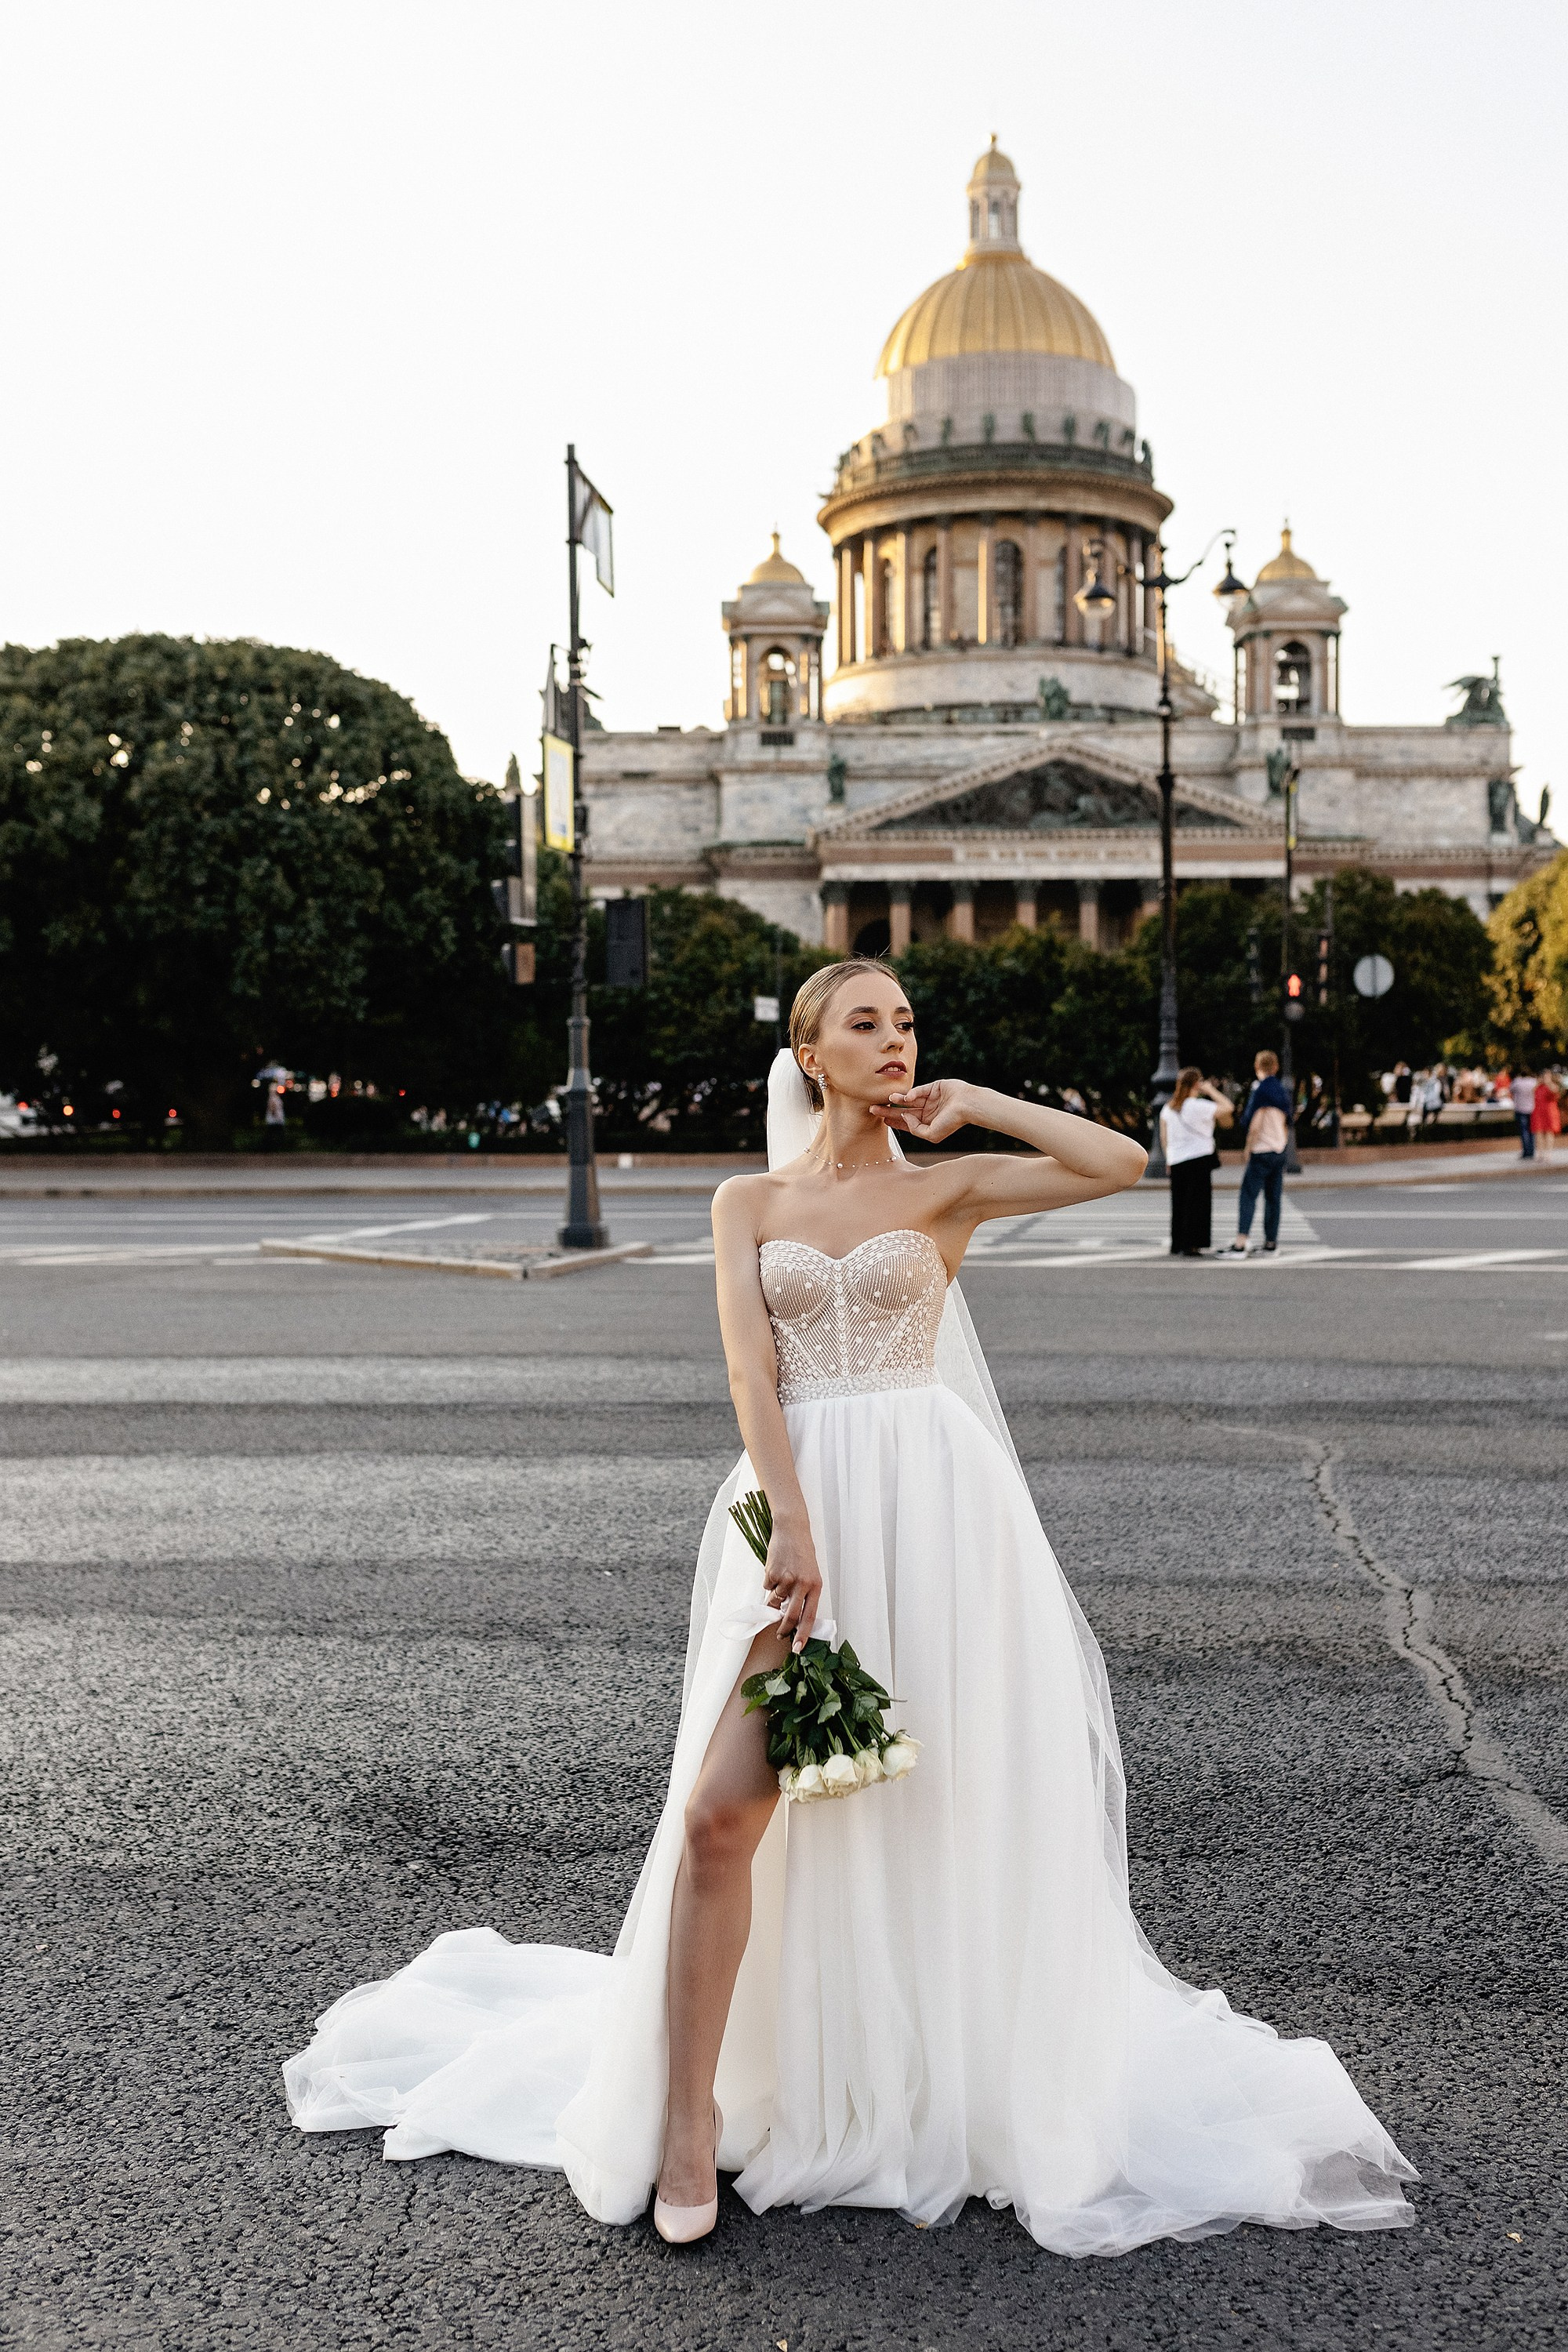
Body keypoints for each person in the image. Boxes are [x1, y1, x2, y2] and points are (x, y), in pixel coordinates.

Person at [284, 959, 1414, 2255]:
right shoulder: (744, 1199)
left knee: (938, 1802)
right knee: (722, 1816)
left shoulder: (944, 1186)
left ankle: (927, 2072)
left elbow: (1117, 1162)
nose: (895, 1041)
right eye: (865, 1024)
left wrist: (975, 1096)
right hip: (792, 1520)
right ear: (810, 1054)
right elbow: (747, 1369)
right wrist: (796, 1522)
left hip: (938, 1516)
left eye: (908, 1023)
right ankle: (695, 2118)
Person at [1225, 1049, 1294, 1257]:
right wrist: (1281, 1143)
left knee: (1248, 1195)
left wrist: (1248, 1147)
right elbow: (1286, 1122)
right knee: (1274, 1198)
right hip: (1278, 1150)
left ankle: (1241, 1241)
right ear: (1276, 1068)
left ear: (1257, 1067)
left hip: (1261, 1150)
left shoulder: (1260, 1091)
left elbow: (1255, 1123)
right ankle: (1271, 1242)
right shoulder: (1282, 1091)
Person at [1160, 1066, 1232, 1255]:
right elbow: (1228, 1108)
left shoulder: (1168, 1108)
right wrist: (1210, 1090)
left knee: (1179, 1204)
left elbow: (1164, 1136)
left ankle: (1178, 1244)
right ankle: (1192, 1244)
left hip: (1176, 1160)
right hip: (1199, 1158)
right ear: (1196, 1084)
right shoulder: (1198, 1106)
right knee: (1198, 1204)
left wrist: (1169, 1158)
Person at [1531, 1070, 1561, 1160]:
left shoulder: (1552, 1086)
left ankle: (1548, 1153)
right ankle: (1540, 1153)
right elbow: (1532, 1092)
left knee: (1549, 1132)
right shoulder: (1539, 1087)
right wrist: (1538, 1083)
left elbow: (1555, 1091)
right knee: (1538, 1133)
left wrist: (1548, 1082)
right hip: (1538, 1112)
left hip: (1550, 1113)